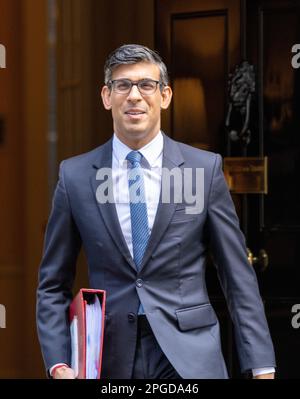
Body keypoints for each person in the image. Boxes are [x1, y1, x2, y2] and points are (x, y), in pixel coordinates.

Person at [36, 44, 276, 379]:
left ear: (165, 96)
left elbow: (238, 277)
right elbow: (52, 283)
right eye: (123, 85)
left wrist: (262, 365)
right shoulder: (74, 177)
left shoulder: (203, 170)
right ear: (107, 97)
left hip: (190, 356)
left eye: (146, 85)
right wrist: (59, 362)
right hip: (109, 357)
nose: (134, 95)